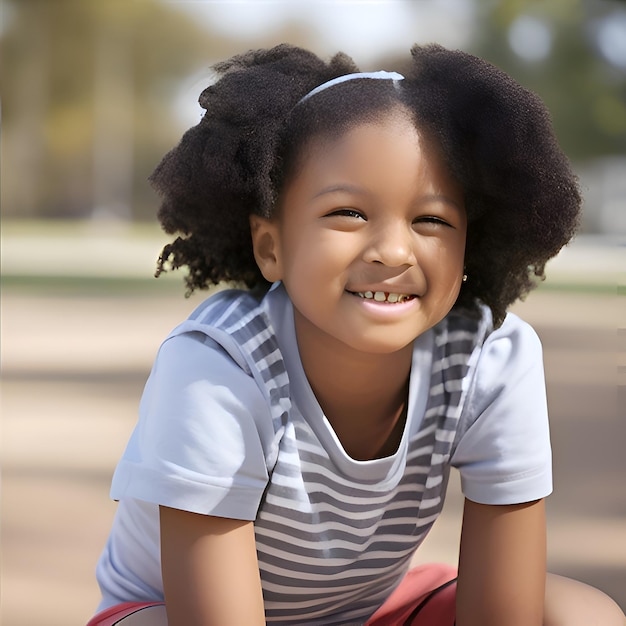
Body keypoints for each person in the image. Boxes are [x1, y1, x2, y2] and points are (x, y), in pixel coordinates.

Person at [87, 43, 625, 626]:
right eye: (348, 213)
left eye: (432, 220)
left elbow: (504, 614)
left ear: (470, 244)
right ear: (272, 246)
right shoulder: (218, 368)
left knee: (580, 615)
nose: (394, 251)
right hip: (175, 613)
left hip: (369, 612)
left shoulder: (489, 357)